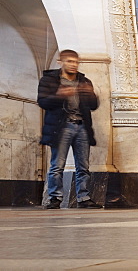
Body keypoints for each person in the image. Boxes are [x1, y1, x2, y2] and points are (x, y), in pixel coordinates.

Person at [37, 49, 102, 209]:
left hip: (82, 127)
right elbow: (43, 102)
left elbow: (93, 105)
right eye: (69, 61)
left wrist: (90, 95)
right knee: (57, 165)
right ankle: (55, 198)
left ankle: (84, 197)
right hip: (61, 127)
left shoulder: (84, 81)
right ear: (61, 62)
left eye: (75, 62)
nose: (73, 65)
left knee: (83, 166)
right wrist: (60, 95)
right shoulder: (49, 80)